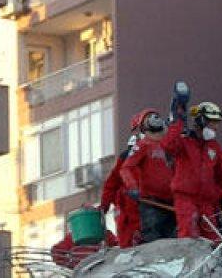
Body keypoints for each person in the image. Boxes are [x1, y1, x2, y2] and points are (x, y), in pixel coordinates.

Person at [163, 98, 222, 242]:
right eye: (212, 122)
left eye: (217, 123)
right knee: (188, 237)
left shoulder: (213, 147)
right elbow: (168, 145)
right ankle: (188, 265)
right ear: (201, 121)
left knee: (213, 241)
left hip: (207, 203)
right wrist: (178, 121)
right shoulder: (184, 142)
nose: (216, 127)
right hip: (186, 199)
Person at [120, 108, 175, 243]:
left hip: (173, 202)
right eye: (150, 117)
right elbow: (126, 168)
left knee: (175, 241)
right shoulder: (142, 146)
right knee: (154, 241)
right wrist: (132, 187)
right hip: (152, 204)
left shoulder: (171, 145)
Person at [101, 111, 148, 247]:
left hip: (149, 209)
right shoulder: (126, 158)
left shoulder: (158, 153)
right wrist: (104, 206)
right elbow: (111, 184)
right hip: (129, 213)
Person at [50, 229, 117, 268]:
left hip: (103, 270)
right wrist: (69, 264)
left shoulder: (106, 234)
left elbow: (119, 248)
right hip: (82, 271)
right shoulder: (74, 236)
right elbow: (56, 251)